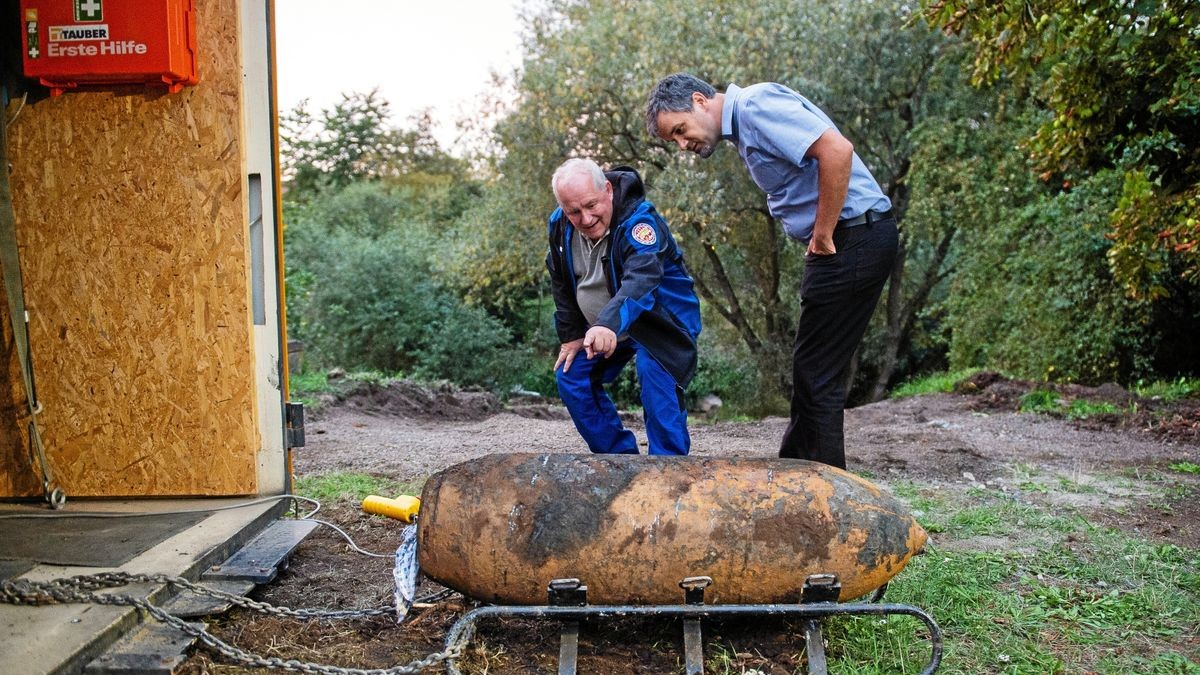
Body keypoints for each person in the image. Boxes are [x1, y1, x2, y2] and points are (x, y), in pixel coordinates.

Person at [644, 73, 898, 470]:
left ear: (699, 100)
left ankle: (825, 493)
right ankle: (795, 473)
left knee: (817, 375)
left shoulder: (756, 108)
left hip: (854, 236)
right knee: (812, 370)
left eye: (680, 129)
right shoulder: (745, 125)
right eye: (673, 140)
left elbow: (836, 150)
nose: (682, 144)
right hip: (853, 238)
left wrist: (825, 232)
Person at [547, 158, 702, 456]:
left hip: (660, 323)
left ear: (607, 190)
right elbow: (560, 280)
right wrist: (571, 334)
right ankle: (619, 462)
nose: (586, 218)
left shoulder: (640, 222)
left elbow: (641, 279)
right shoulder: (559, 225)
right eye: (574, 212)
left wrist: (606, 323)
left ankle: (668, 471)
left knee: (654, 375)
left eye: (592, 205)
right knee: (571, 375)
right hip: (603, 327)